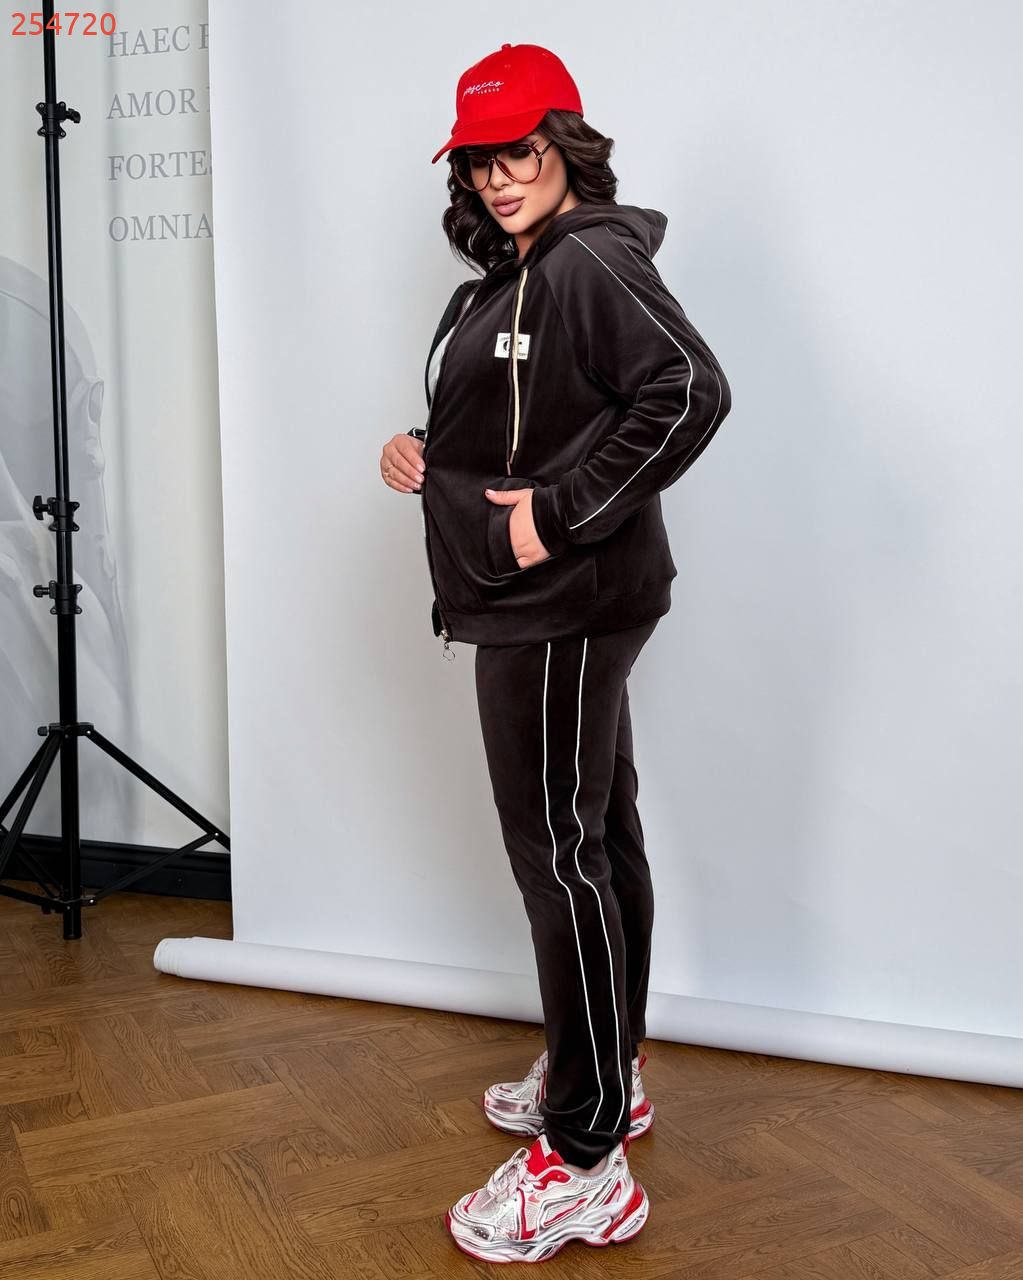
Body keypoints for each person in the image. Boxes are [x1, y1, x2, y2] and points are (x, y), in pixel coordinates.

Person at [379, 41, 731, 1264]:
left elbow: (687, 390)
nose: (497, 176)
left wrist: (554, 516)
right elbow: (538, 412)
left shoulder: (586, 257)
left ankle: (584, 1160)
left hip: (559, 602)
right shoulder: (518, 271)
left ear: (566, 145)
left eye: (519, 150)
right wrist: (426, 449)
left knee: (559, 857)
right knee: (597, 836)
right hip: (561, 600)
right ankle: (606, 1077)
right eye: (478, 158)